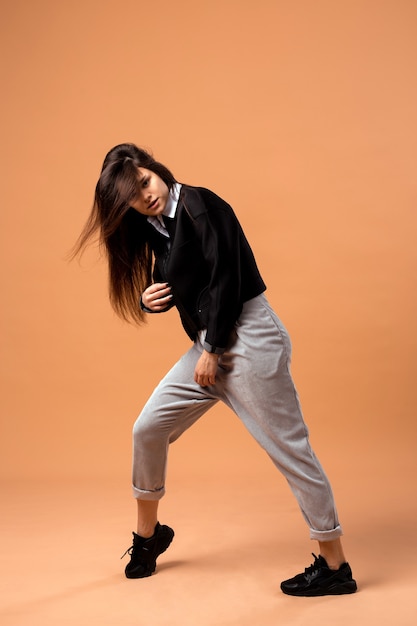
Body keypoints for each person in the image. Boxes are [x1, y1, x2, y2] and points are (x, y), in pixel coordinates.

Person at [74, 143, 357, 596]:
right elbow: (189, 280)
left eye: (145, 181)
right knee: (147, 427)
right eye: (132, 195)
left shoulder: (200, 204)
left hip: (248, 338)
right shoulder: (154, 226)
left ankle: (335, 565)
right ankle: (149, 538)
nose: (145, 195)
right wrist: (150, 296)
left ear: (157, 171)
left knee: (290, 450)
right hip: (210, 344)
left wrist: (212, 348)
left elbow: (226, 277)